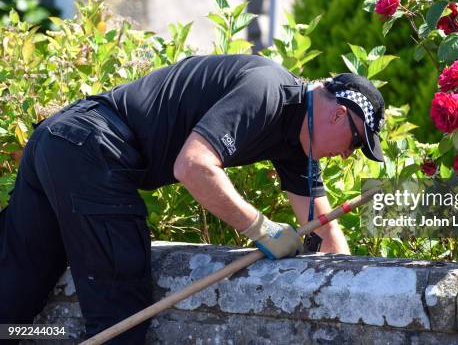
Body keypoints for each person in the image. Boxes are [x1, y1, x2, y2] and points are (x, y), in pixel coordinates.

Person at [0, 54, 385, 343]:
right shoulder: (266, 90)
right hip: (90, 147)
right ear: (338, 115)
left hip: (61, 141)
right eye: (355, 143)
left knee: (14, 292)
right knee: (120, 318)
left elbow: (324, 227)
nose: (348, 155)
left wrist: (353, 298)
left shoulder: (296, 143)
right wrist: (262, 229)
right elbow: (193, 166)